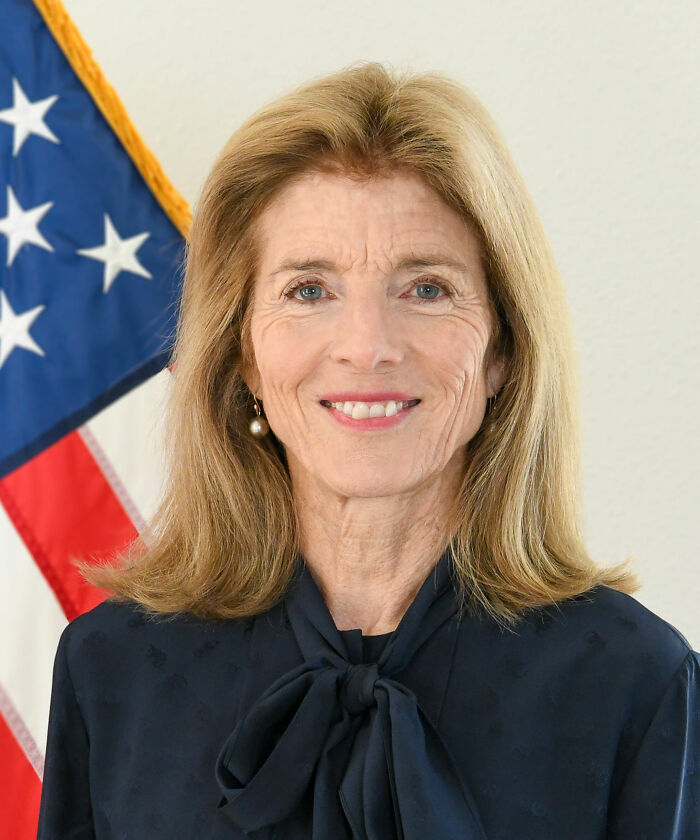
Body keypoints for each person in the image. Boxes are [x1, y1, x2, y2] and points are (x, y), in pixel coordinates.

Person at [37, 62, 699, 839]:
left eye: (425, 287)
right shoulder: (111, 670)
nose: (366, 346)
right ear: (242, 353)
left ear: (501, 353)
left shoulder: (633, 683)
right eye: (309, 290)